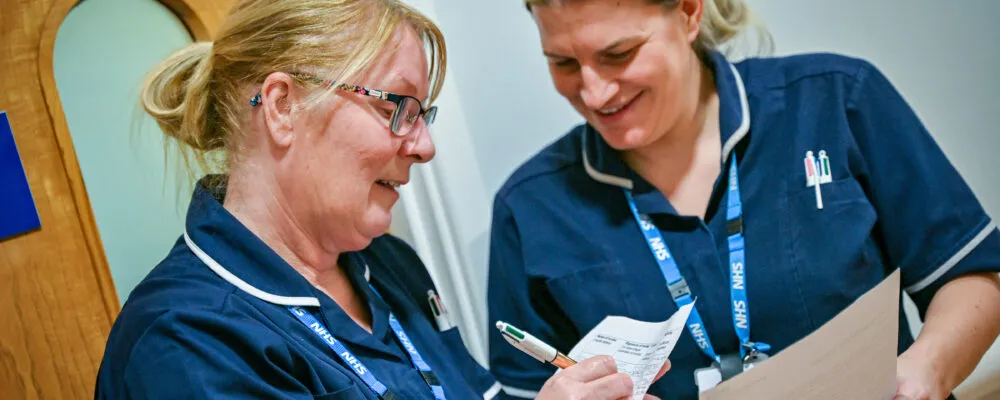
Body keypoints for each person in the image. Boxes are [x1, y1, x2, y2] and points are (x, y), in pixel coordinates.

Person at [94, 0, 668, 398]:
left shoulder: (390, 267)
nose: (424, 147)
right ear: (282, 106)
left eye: (424, 114)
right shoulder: (184, 343)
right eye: (399, 108)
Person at [486, 0, 1000, 399]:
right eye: (563, 63)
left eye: (617, 54)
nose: (595, 94)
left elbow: (971, 274)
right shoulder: (528, 210)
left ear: (689, 12)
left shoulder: (835, 101)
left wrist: (925, 369)